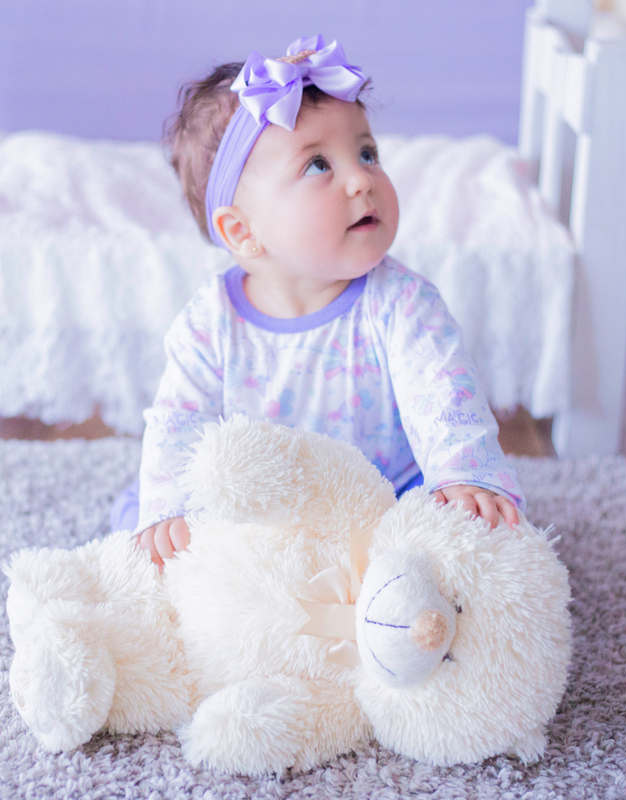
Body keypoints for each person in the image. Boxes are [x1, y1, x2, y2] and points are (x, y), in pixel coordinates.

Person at [116, 36, 524, 569]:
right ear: (242, 231)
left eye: (367, 153)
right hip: (263, 514)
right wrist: (170, 510)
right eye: (317, 166)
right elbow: (178, 423)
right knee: (146, 527)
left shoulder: (402, 303)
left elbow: (444, 398)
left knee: (452, 541)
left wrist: (463, 475)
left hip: (383, 501)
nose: (362, 179)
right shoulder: (208, 325)